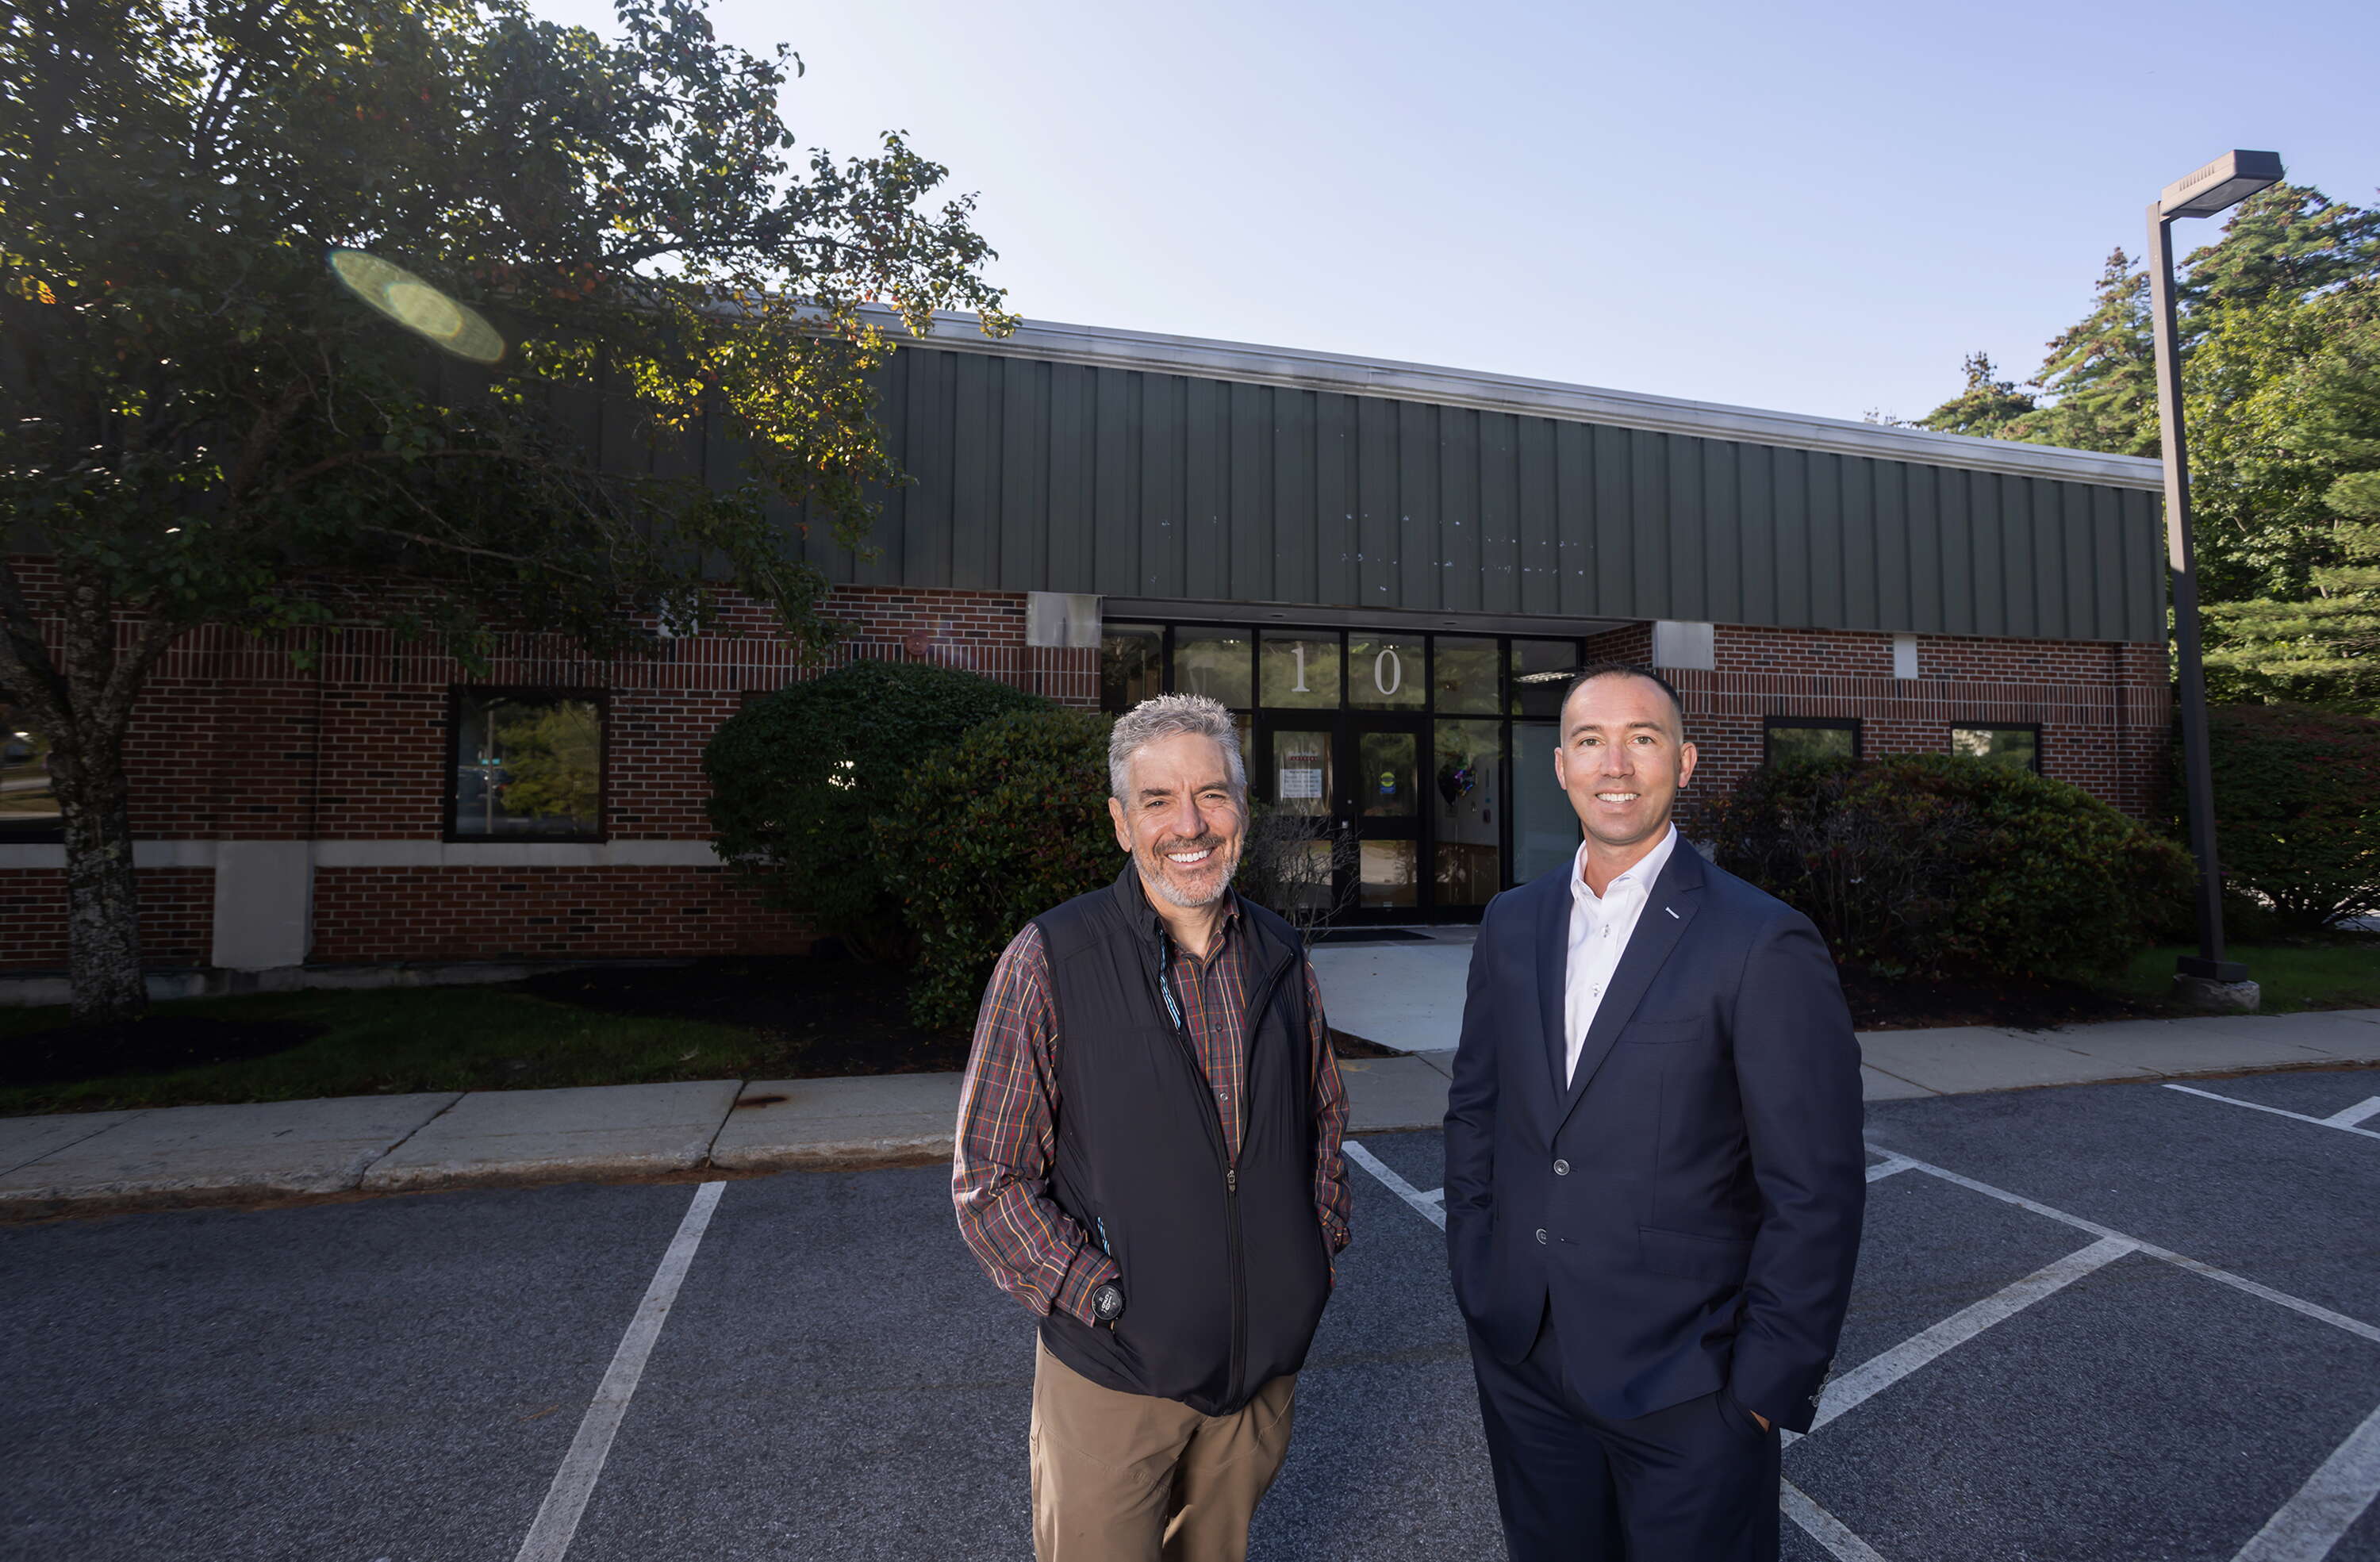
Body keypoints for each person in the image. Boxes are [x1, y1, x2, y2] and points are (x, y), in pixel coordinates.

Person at [1443, 663, 1865, 1561]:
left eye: (1644, 738)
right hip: (1526, 1363)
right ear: (1560, 766)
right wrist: (1480, 1279)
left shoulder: (1760, 939)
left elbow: (1814, 1186)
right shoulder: (1511, 925)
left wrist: (1760, 1387)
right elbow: (1477, 1113)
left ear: (1687, 760)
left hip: (1690, 1389)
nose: (1617, 764)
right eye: (1592, 740)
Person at [953, 691, 1352, 1562]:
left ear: (1243, 809)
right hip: (1115, 1374)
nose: (1191, 824)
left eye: (1212, 794)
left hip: (1259, 1376)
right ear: (1121, 823)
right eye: (1159, 800)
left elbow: (1323, 1124)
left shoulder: (1283, 954)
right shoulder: (1052, 957)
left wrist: (1307, 1260)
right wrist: (1095, 1294)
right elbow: (991, 1178)